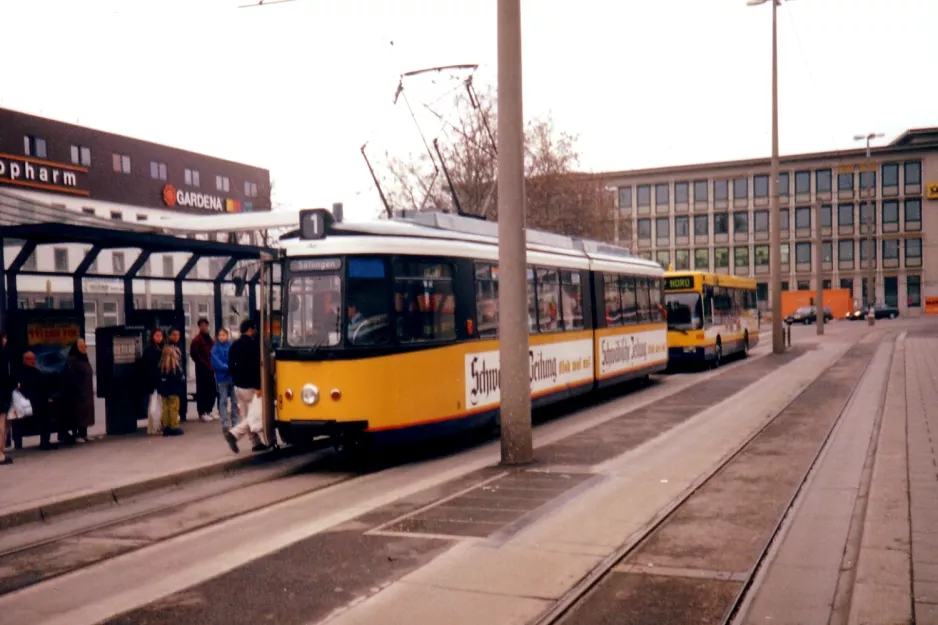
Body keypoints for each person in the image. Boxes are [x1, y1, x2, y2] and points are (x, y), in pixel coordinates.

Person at [223, 318, 268, 453]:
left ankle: (255, 443)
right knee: (255, 415)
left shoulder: (234, 345)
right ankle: (233, 434)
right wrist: (259, 386)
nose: (255, 331)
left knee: (247, 415)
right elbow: (255, 368)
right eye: (254, 329)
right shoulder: (253, 345)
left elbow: (230, 367)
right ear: (250, 329)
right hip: (251, 387)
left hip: (237, 386)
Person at [18, 351, 57, 450]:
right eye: (30, 359)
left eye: (34, 359)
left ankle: (45, 441)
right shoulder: (27, 373)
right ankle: (44, 443)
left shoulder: (34, 372)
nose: (33, 361)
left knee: (45, 420)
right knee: (44, 420)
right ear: (25, 361)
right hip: (34, 402)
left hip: (37, 400)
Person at [63, 339, 95, 443]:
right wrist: (78, 389)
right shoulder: (72, 360)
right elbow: (71, 377)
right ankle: (76, 434)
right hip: (77, 392)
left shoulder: (84, 359)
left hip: (87, 391)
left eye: (85, 346)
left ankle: (83, 433)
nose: (84, 348)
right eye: (81, 347)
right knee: (77, 413)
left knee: (86, 413)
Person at [211, 327, 240, 429]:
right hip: (222, 378)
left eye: (223, 335)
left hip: (232, 378)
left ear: (228, 336)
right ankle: (225, 423)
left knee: (235, 401)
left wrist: (231, 368)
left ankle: (235, 421)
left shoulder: (232, 347)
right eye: (220, 335)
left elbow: (236, 360)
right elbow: (216, 363)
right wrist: (229, 368)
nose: (221, 337)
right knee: (223, 401)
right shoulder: (215, 349)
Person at [190, 318, 217, 422]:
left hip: (210, 368)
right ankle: (202, 412)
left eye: (205, 325)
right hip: (202, 369)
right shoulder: (197, 340)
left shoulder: (209, 339)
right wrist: (203, 364)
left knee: (212, 390)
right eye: (202, 325)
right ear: (199, 327)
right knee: (202, 391)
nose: (204, 327)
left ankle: (209, 410)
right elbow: (194, 354)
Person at [156, 346, 185, 436]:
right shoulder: (175, 368)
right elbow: (180, 379)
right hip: (174, 392)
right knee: (173, 409)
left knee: (165, 409)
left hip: (164, 393)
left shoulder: (161, 368)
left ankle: (166, 426)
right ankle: (174, 426)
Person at [0, 332, 13, 465]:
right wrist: (14, 384)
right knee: (2, 425)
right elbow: (5, 376)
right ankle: (0, 454)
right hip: (2, 395)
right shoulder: (3, 355)